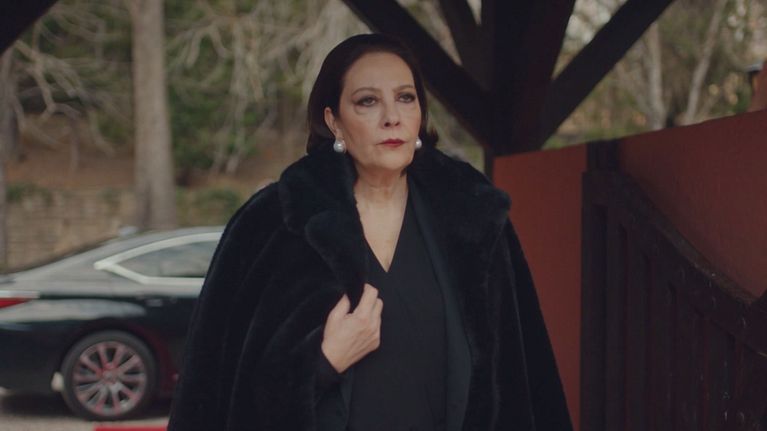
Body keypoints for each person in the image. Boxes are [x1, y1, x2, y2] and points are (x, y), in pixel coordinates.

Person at [167, 33, 572, 431]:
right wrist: (322, 364)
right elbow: (214, 390)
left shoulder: (474, 215)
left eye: (405, 98)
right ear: (334, 122)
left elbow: (524, 378)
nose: (392, 117)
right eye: (368, 101)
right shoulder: (273, 222)